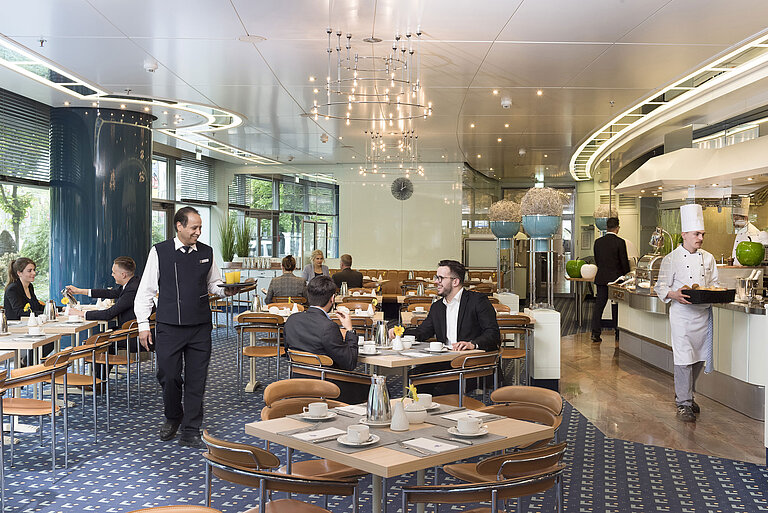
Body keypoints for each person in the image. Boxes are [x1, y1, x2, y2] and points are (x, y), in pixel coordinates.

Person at [134, 206, 237, 448]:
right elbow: (146, 291)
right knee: (169, 376)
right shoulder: (159, 252)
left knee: (196, 379)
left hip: (200, 326)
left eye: (200, 227)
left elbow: (214, 284)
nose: (198, 232)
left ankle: (191, 429)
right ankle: (173, 415)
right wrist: (142, 325)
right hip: (169, 326)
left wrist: (226, 290)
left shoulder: (207, 252)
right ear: (179, 226)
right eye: (194, 227)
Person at [390, 260, 499, 395]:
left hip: (470, 362)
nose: (436, 282)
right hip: (445, 360)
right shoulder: (437, 307)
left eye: (440, 278)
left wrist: (472, 344)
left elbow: (493, 334)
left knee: (441, 388)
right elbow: (423, 332)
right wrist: (400, 332)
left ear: (455, 281)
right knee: (415, 376)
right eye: (436, 278)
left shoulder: (477, 301)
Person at [654, 204, 719, 423]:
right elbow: (660, 287)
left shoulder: (708, 258)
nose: (700, 238)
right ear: (684, 235)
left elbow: (714, 284)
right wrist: (675, 294)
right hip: (681, 315)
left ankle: (687, 395)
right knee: (683, 358)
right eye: (696, 234)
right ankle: (683, 403)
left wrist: (716, 293)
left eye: (702, 234)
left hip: (703, 315)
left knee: (699, 357)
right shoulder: (670, 259)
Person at [283, 275, 367, 403]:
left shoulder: (292, 320)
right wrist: (350, 330)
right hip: (326, 386)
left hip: (297, 382)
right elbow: (350, 363)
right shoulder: (328, 327)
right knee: (378, 388)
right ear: (332, 299)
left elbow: (287, 350)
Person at [66, 256, 140, 326]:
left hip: (129, 335)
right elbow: (109, 293)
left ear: (123, 275)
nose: (112, 275)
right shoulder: (132, 283)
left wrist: (81, 313)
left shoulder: (132, 290)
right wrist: (79, 291)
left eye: (114, 272)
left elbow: (109, 314)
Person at [591, 217, 631, 343]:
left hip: (601, 277)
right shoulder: (620, 242)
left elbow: (597, 260)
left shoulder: (598, 242)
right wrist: (627, 274)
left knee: (599, 306)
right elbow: (624, 262)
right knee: (616, 306)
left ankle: (595, 333)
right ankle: (617, 332)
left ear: (607, 228)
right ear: (617, 228)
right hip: (616, 279)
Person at [3, 257, 53, 359]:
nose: (33, 273)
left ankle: (28, 364)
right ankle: (26, 364)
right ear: (19, 273)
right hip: (15, 328)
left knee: (50, 340)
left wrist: (58, 309)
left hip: (28, 326)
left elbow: (37, 306)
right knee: (48, 341)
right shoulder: (12, 289)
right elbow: (19, 312)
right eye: (29, 271)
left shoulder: (29, 286)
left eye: (34, 270)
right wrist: (44, 314)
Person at [731, 197, 768, 265]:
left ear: (745, 218)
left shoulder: (754, 233)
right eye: (733, 219)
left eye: (736, 219)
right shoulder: (741, 231)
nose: (733, 222)